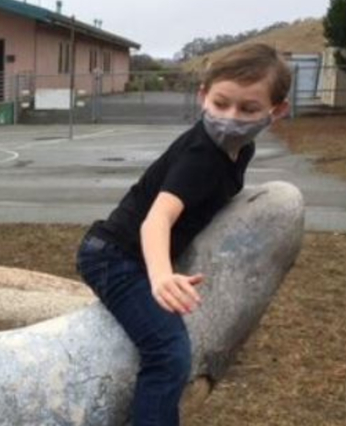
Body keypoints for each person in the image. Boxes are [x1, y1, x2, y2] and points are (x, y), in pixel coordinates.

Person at [76, 43, 292, 426]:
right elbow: (157, 219)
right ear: (202, 95)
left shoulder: (240, 149)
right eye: (221, 103)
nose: (230, 118)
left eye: (248, 109)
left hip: (132, 255)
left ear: (277, 111)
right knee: (169, 351)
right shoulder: (202, 157)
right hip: (114, 257)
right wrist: (160, 275)